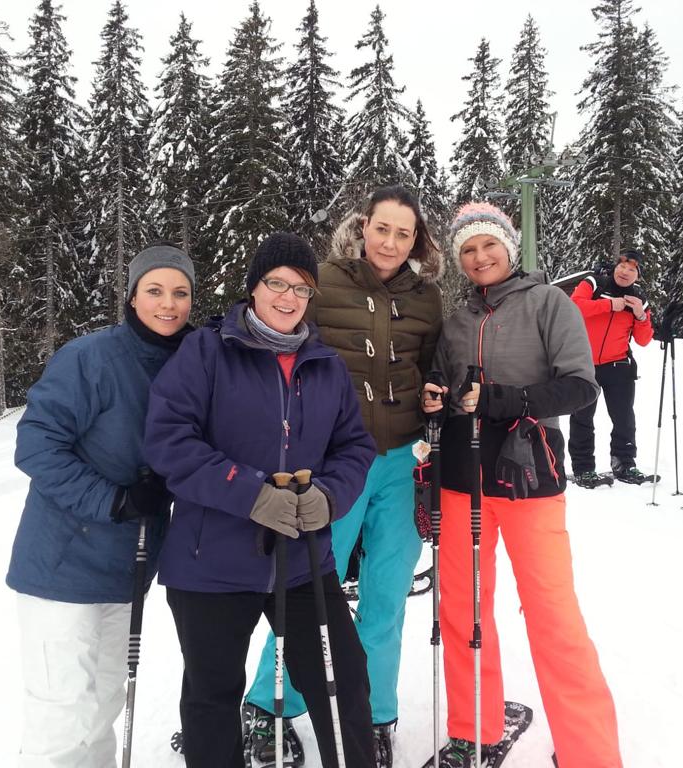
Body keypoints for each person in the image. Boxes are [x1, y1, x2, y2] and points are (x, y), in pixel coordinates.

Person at [145, 233, 378, 768]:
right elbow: (169, 440)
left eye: (301, 288)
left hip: (302, 559)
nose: (288, 297)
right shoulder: (207, 351)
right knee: (212, 696)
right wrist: (249, 493)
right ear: (254, 287)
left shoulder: (325, 364)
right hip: (211, 562)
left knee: (342, 680)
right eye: (277, 283)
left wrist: (330, 496)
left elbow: (354, 447)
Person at [240, 185, 443, 766]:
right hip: (334, 463)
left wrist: (437, 392)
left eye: (403, 233)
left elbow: (434, 366)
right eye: (383, 228)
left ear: (416, 241)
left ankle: (373, 714)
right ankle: (268, 705)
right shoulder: (324, 283)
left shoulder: (426, 297)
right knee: (308, 590)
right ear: (363, 227)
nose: (391, 242)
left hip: (403, 462)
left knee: (388, 594)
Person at [421, 202, 622, 768]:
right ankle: (474, 730)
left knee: (552, 614)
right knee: (463, 611)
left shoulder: (549, 303)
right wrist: (434, 396)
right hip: (461, 479)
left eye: (489, 245)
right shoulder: (456, 322)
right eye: (467, 249)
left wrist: (509, 400)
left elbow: (581, 386)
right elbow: (442, 385)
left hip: (529, 475)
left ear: (509, 247)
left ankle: (590, 753)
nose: (480, 257)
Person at [6, 242, 195, 767]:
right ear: (132, 296)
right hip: (62, 567)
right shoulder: (89, 358)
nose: (168, 304)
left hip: (128, 568)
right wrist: (115, 500)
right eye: (154, 290)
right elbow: (36, 445)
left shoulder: (190, 364)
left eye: (180, 293)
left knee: (104, 704)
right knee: (62, 713)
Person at [568, 251, 654, 487]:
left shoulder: (638, 298)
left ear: (638, 276)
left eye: (632, 269)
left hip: (619, 366)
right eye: (622, 266)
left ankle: (624, 464)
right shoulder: (593, 283)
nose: (625, 272)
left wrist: (640, 315)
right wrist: (608, 305)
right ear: (615, 267)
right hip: (584, 364)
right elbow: (574, 306)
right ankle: (583, 468)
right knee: (582, 418)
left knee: (624, 419)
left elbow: (644, 340)